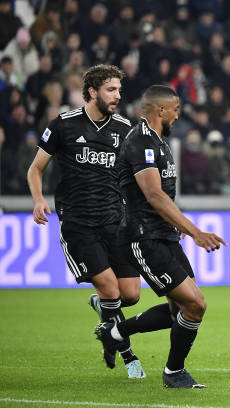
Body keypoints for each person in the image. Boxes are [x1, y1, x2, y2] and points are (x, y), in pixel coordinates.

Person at [94, 85, 227, 389]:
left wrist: (176, 223)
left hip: (163, 234)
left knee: (179, 310)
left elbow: (162, 194)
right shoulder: (140, 141)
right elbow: (154, 195)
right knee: (195, 305)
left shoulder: (157, 140)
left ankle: (114, 332)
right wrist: (196, 232)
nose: (178, 116)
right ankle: (173, 372)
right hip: (143, 238)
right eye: (176, 110)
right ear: (161, 110)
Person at [27, 64, 145, 378]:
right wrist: (39, 200)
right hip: (79, 224)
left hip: (115, 223)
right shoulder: (64, 125)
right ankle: (129, 357)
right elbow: (35, 168)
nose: (117, 96)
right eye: (111, 89)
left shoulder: (124, 129)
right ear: (92, 91)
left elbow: (136, 177)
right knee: (111, 289)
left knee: (131, 294)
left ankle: (102, 307)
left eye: (119, 90)